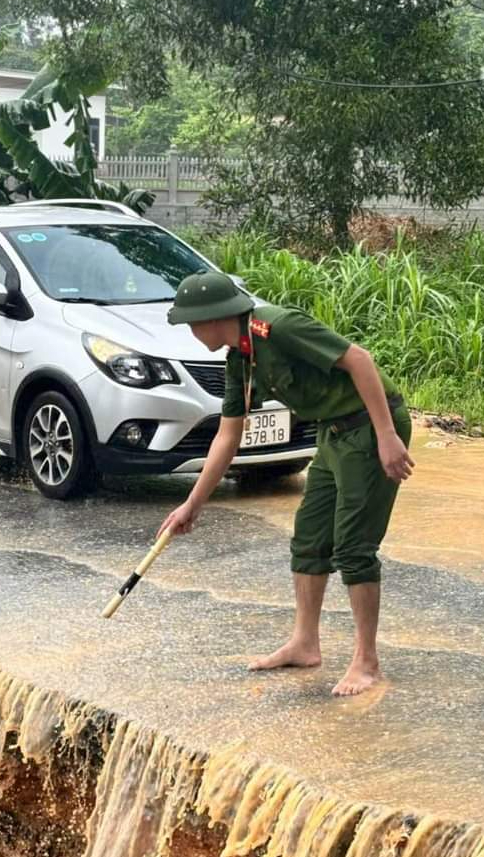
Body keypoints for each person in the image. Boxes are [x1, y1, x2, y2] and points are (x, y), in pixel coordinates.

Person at [159, 271, 414, 697]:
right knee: (310, 537)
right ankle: (304, 643)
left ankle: (367, 661)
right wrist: (192, 504)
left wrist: (387, 436)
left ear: (211, 317)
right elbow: (228, 435)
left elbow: (359, 360)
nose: (189, 330)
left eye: (190, 322)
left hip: (370, 428)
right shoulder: (241, 358)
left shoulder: (278, 327)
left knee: (353, 545)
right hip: (333, 432)